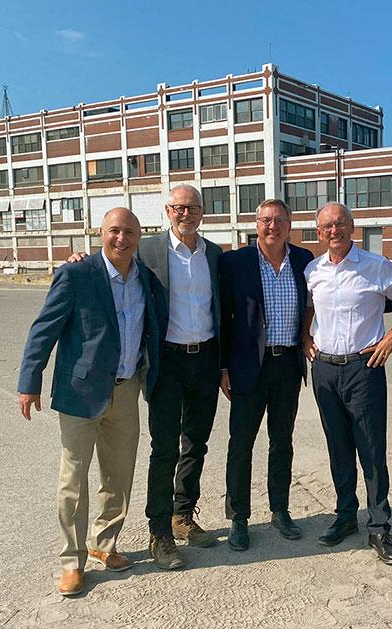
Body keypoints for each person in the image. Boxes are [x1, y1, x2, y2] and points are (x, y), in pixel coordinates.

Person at [17, 208, 160, 596]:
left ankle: (104, 543)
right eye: (115, 230)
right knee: (74, 481)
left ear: (139, 236)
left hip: (126, 389)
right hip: (81, 393)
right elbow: (43, 330)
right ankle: (71, 561)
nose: (122, 238)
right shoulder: (77, 273)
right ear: (101, 234)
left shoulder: (145, 278)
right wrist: (29, 381)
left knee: (119, 475)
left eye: (130, 232)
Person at [303, 202, 392, 565]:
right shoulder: (312, 270)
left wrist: (391, 337)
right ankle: (345, 515)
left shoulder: (376, 267)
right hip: (325, 369)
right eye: (326, 227)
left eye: (339, 224)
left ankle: (379, 525)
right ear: (319, 233)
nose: (333, 231)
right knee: (338, 446)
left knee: (370, 448)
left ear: (352, 228)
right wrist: (306, 338)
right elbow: (308, 308)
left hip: (363, 369)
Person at [219, 200, 314, 550]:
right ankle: (239, 518)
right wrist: (223, 367)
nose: (272, 226)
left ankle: (280, 510)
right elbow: (222, 316)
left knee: (282, 442)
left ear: (289, 225)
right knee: (241, 444)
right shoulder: (235, 262)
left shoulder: (304, 261)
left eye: (279, 220)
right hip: (247, 367)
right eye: (266, 220)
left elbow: (312, 302)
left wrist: (306, 334)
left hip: (286, 364)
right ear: (255, 224)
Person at [140, 185, 223, 567]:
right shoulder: (148, 251)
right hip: (168, 362)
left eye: (191, 208)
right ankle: (160, 532)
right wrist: (77, 259)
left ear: (202, 212)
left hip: (205, 360)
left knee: (196, 444)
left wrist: (223, 366)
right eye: (178, 207)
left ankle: (183, 514)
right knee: (164, 448)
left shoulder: (215, 255)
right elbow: (109, 265)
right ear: (167, 211)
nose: (184, 214)